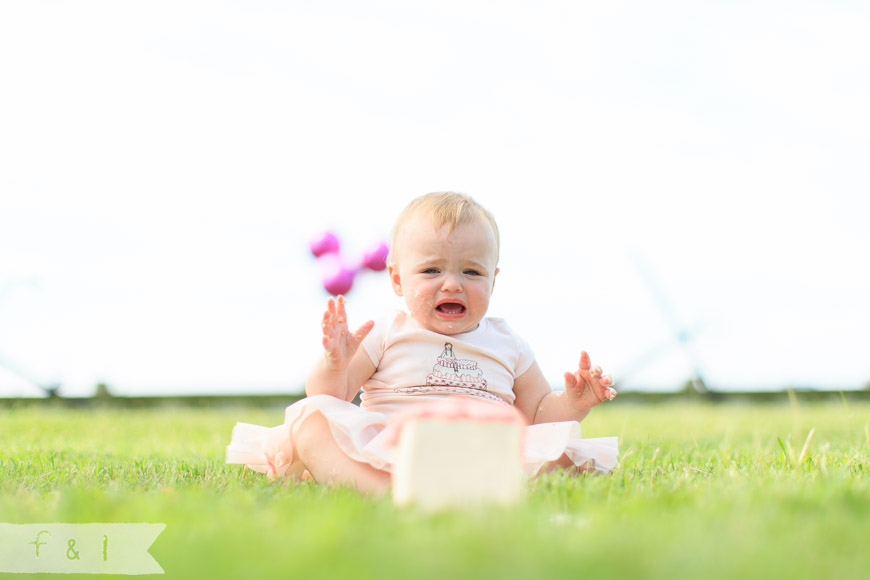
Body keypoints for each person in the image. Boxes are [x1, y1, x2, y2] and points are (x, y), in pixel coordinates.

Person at [226, 192, 618, 494]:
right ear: (397, 279)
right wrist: (335, 365)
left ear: (493, 280)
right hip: (392, 453)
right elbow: (331, 396)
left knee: (562, 447)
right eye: (431, 270)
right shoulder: (386, 332)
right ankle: (383, 492)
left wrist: (573, 404)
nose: (452, 283)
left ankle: (475, 490)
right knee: (311, 422)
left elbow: (537, 416)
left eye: (472, 271)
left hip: (479, 455)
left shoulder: (508, 343)